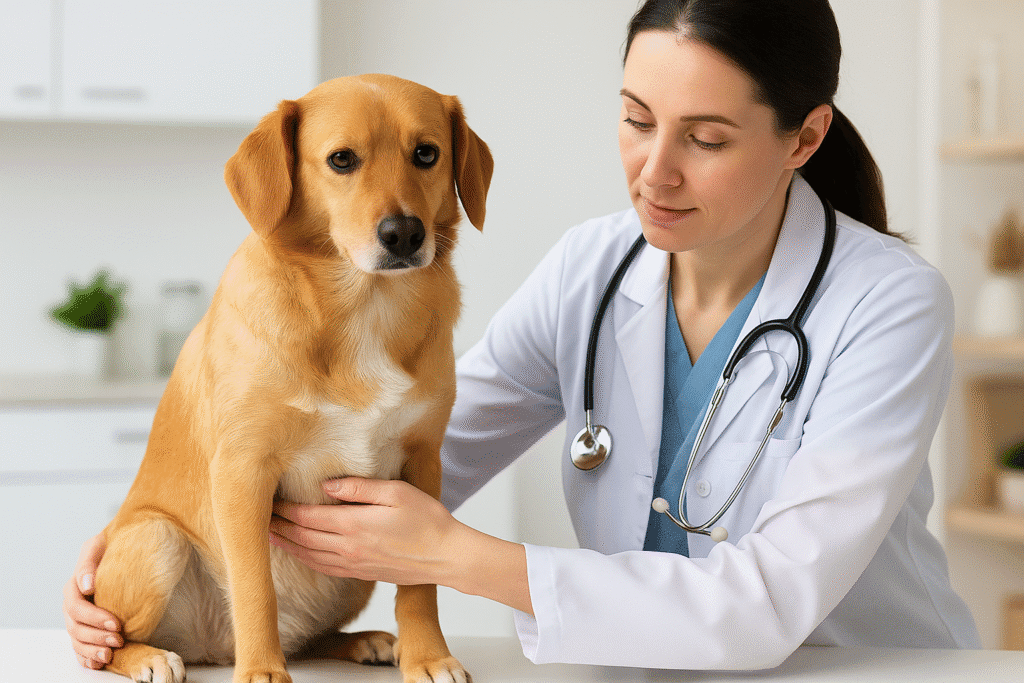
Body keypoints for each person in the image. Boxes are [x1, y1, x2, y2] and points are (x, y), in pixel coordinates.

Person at [64, 0, 979, 671]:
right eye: (635, 120)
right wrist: (145, 552)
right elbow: (401, 455)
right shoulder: (594, 268)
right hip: (633, 665)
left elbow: (770, 602)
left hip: (861, 666)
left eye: (705, 138)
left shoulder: (888, 304)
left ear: (804, 138)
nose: (653, 172)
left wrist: (458, 558)